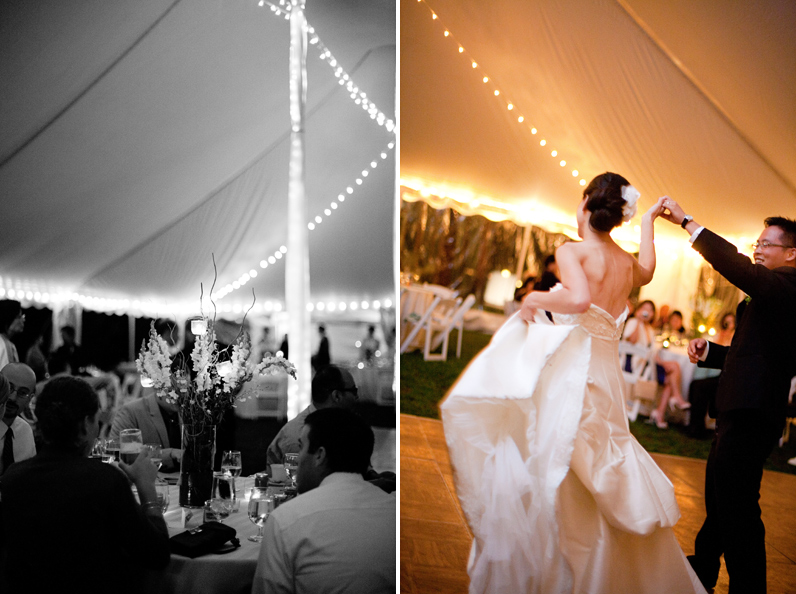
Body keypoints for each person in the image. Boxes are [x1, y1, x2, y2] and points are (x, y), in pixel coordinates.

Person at [441, 172, 705, 592]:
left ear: (586, 203)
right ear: (620, 215)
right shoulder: (623, 261)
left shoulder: (573, 252)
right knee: (595, 452)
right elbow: (649, 271)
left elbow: (579, 299)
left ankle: (559, 561)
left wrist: (534, 298)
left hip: (573, 371)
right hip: (606, 376)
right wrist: (649, 222)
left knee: (558, 452)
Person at [660, 201, 796, 593]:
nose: (757, 248)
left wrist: (689, 224)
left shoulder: (788, 287)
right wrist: (711, 353)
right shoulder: (769, 295)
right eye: (757, 242)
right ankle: (702, 569)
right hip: (738, 410)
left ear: (791, 253)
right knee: (721, 502)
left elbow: (737, 267)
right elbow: (753, 354)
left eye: (767, 244)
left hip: (753, 415)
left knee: (737, 510)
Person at [0, 376, 170, 594]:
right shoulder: (104, 481)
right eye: (96, 421)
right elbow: (156, 555)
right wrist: (147, 489)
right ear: (86, 423)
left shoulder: (14, 479)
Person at [252, 408, 395, 594]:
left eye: (301, 447)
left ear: (319, 455)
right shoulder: (394, 514)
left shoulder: (286, 519)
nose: (297, 460)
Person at [265, 365, 359, 469]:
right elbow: (305, 482)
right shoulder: (299, 437)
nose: (357, 397)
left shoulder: (342, 423)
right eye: (353, 391)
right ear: (336, 396)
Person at [622, 299, 690, 429]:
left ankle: (660, 412)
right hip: (636, 365)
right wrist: (638, 321)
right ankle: (674, 399)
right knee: (674, 368)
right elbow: (631, 340)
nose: (647, 312)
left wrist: (663, 363)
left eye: (650, 310)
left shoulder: (650, 329)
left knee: (671, 375)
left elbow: (653, 353)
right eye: (644, 308)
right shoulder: (633, 322)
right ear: (639, 309)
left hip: (648, 365)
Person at [110, 389, 182, 471]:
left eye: (184, 391)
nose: (179, 397)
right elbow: (116, 455)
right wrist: (170, 454)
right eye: (174, 392)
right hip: (144, 482)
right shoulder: (131, 411)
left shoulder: (190, 411)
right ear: (158, 388)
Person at [0, 363, 37, 476]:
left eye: (22, 393)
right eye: (9, 388)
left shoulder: (25, 431)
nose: (12, 397)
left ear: (30, 399)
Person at [0, 300, 24, 369]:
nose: (23, 320)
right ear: (8, 318)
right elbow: (8, 377)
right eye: (19, 316)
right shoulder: (5, 345)